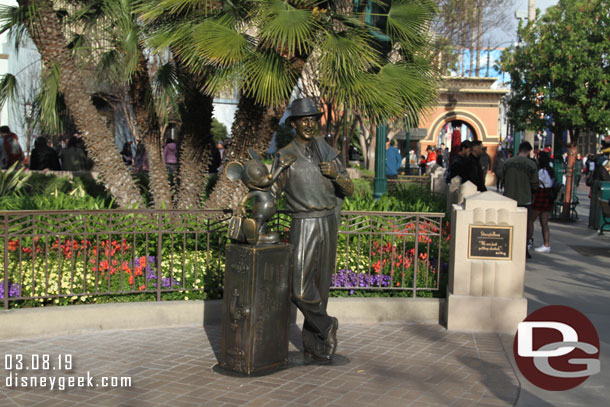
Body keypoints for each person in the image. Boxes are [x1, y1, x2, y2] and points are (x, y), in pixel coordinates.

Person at [272, 97, 354, 363]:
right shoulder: (285, 155)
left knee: (321, 287)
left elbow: (349, 189)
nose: (309, 124)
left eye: (313, 119)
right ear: (294, 123)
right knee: (299, 288)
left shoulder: (327, 151)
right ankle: (327, 324)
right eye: (303, 119)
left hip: (328, 221)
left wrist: (336, 175)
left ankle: (314, 344)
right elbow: (271, 194)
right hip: (303, 223)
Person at [503, 142, 539, 258]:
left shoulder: (507, 163)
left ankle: (507, 247)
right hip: (525, 198)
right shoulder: (531, 165)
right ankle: (523, 249)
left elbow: (502, 178)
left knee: (508, 224)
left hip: (509, 197)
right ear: (528, 152)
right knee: (525, 225)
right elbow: (535, 184)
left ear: (519, 150)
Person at [529, 151, 555, 253]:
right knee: (544, 223)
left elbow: (536, 183)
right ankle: (546, 244)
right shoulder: (550, 171)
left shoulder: (542, 172)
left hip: (541, 195)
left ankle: (529, 240)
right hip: (547, 197)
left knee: (531, 220)